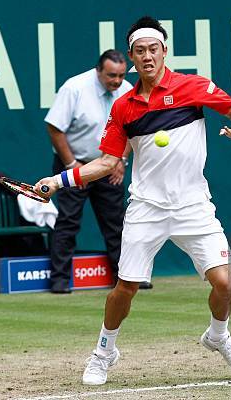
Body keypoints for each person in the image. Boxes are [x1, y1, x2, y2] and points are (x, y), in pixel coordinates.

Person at [35, 16, 231, 383]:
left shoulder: (193, 86)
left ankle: (218, 336)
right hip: (146, 208)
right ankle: (104, 352)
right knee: (126, 288)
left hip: (193, 206)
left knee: (226, 283)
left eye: (154, 49)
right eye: (140, 51)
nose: (148, 56)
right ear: (133, 59)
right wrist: (58, 180)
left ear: (164, 51)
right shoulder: (123, 107)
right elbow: (106, 163)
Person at [45, 49, 136, 293]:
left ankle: (126, 278)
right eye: (111, 76)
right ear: (98, 71)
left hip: (110, 166)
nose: (116, 81)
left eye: (120, 75)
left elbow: (131, 129)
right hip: (75, 164)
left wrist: (121, 160)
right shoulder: (74, 88)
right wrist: (72, 166)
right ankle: (60, 280)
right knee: (68, 221)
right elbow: (55, 128)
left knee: (117, 223)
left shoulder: (127, 90)